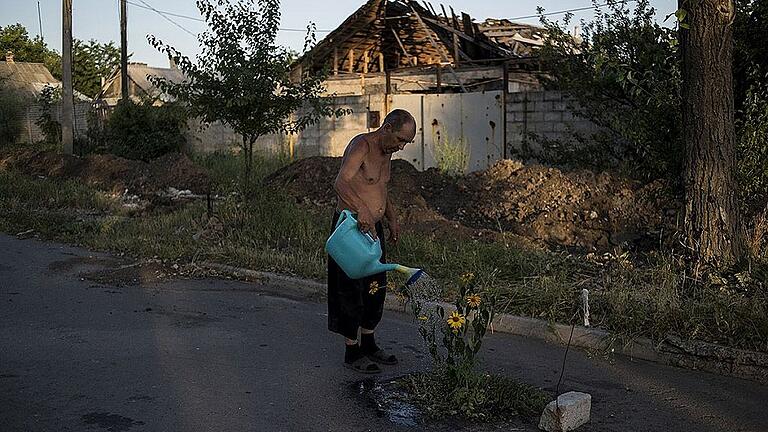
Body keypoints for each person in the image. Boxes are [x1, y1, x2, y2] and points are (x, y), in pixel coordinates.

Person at [328, 109, 417, 374]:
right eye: (400, 140)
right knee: (350, 289)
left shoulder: (387, 154)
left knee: (375, 287)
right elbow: (340, 182)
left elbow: (381, 188)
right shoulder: (361, 146)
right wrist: (361, 209)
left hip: (373, 229)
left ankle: (369, 343)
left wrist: (391, 218)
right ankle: (351, 350)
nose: (401, 147)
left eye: (406, 144)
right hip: (351, 229)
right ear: (387, 127)